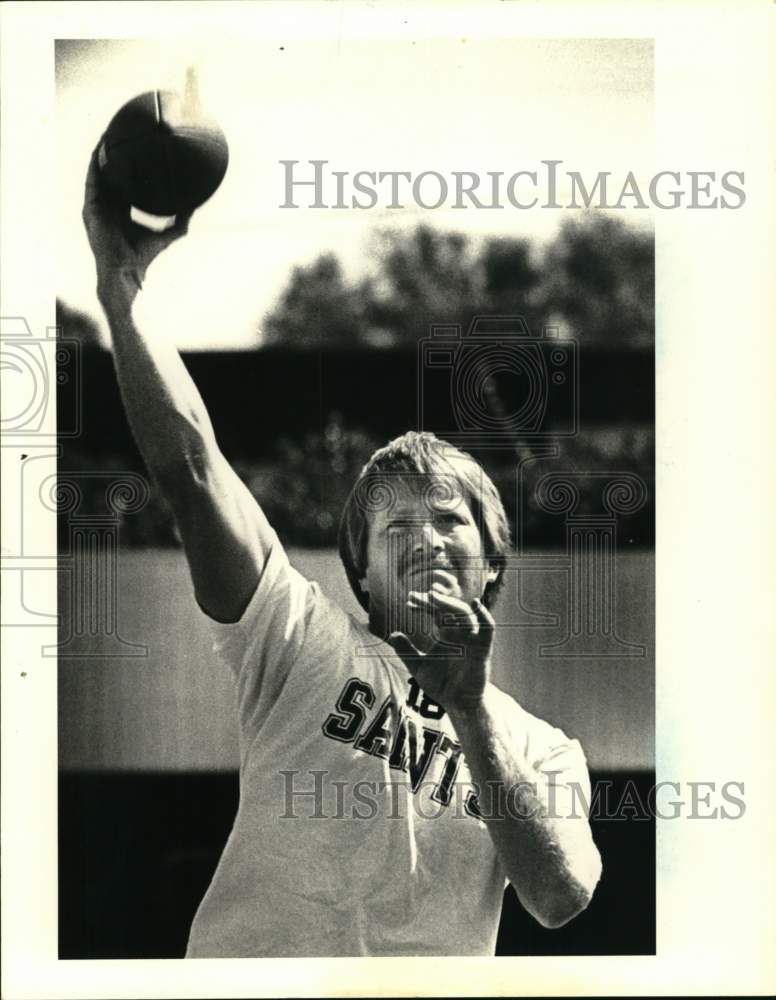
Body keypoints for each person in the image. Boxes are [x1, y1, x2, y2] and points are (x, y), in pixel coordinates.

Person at [82, 144, 602, 958]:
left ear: (494, 556)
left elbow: (561, 896)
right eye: (394, 529)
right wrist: (121, 290)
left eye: (448, 520)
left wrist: (468, 708)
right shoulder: (295, 640)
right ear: (359, 574)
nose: (424, 538)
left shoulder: (543, 748)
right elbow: (191, 468)